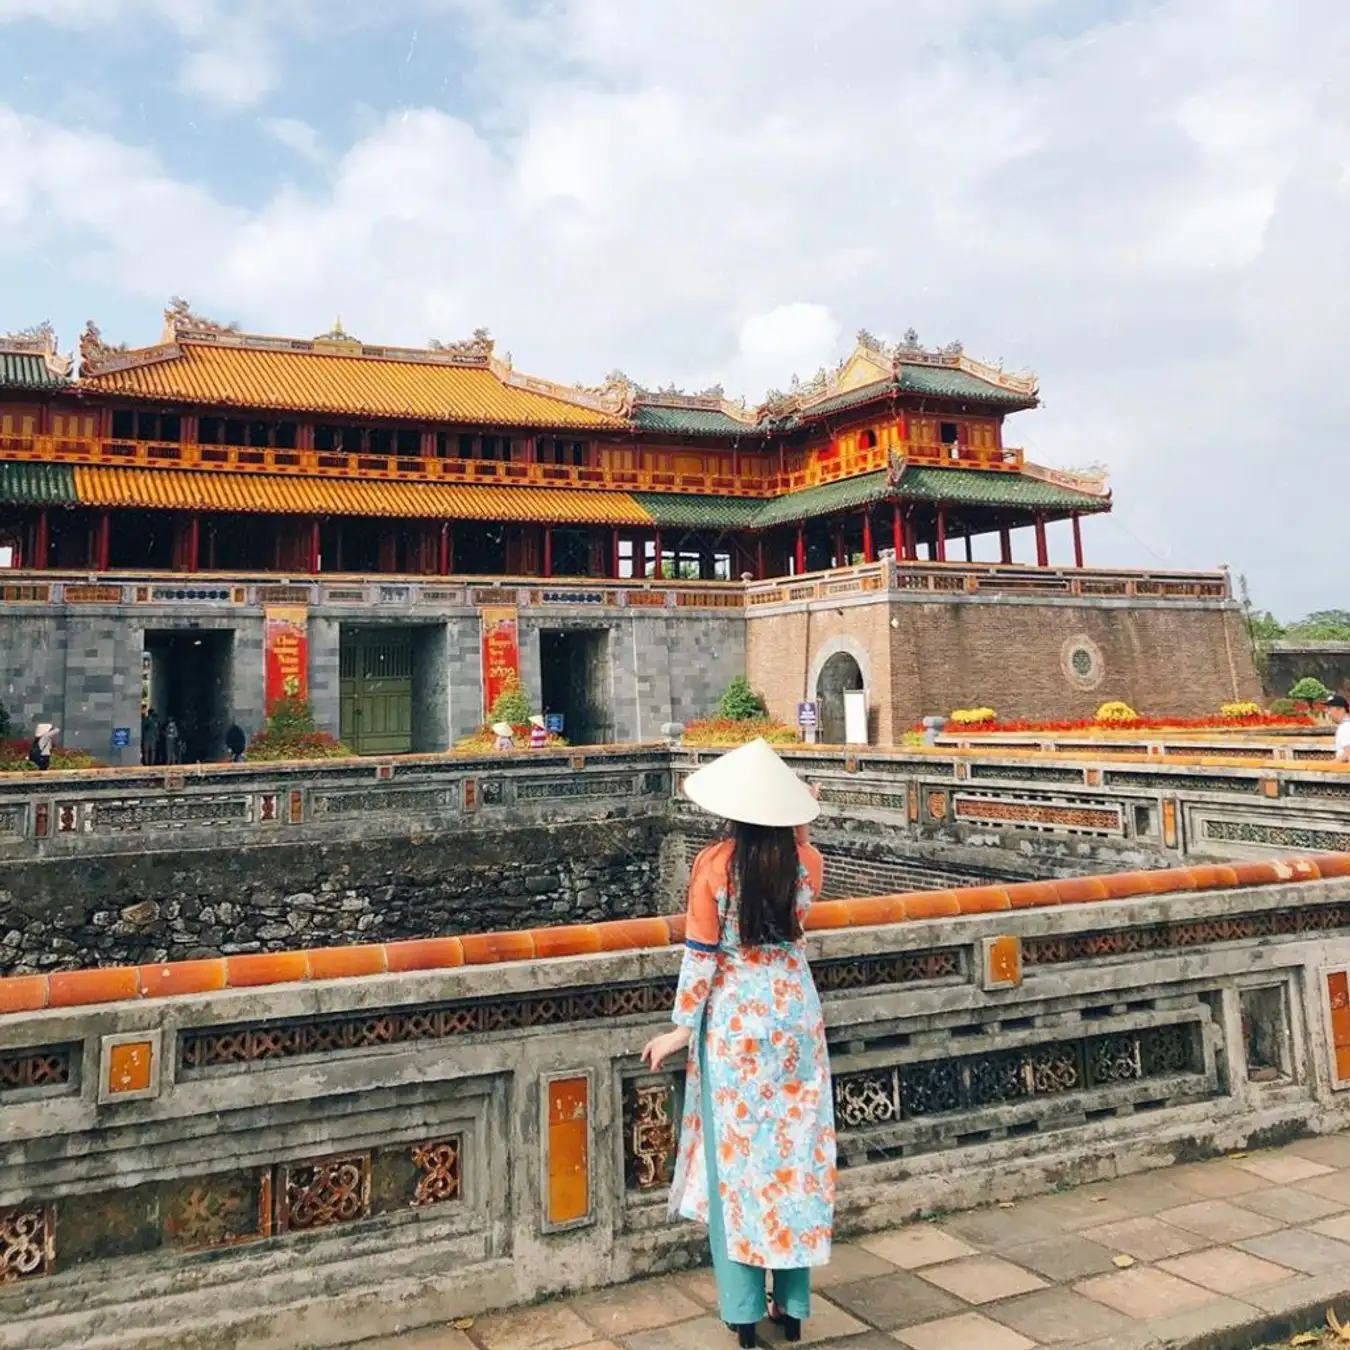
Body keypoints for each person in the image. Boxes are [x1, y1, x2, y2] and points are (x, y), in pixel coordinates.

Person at [641, 738, 834, 1347]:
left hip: (736, 1023)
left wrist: (679, 1027)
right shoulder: (808, 864)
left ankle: (744, 1312)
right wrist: (802, 825)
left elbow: (701, 956)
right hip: (796, 1016)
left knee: (738, 1168)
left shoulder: (715, 865)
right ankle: (794, 1307)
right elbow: (798, 862)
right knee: (792, 1161)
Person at [1326, 694, 1350, 763]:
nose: (1328, 713)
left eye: (1330, 709)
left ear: (1340, 709)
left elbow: (1348, 753)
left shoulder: (1345, 728)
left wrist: (1329, 765)